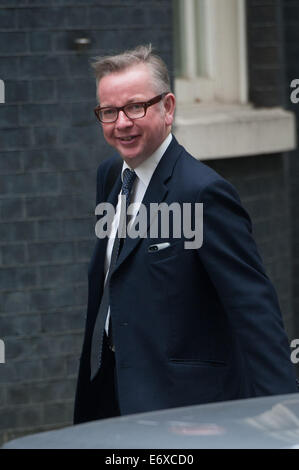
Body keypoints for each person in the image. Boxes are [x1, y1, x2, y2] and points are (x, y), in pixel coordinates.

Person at [74, 44, 298, 424]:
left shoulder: (203, 193)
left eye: (135, 106)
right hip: (115, 392)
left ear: (168, 107)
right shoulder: (111, 176)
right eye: (109, 112)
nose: (121, 123)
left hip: (186, 409)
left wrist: (283, 407)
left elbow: (252, 305)